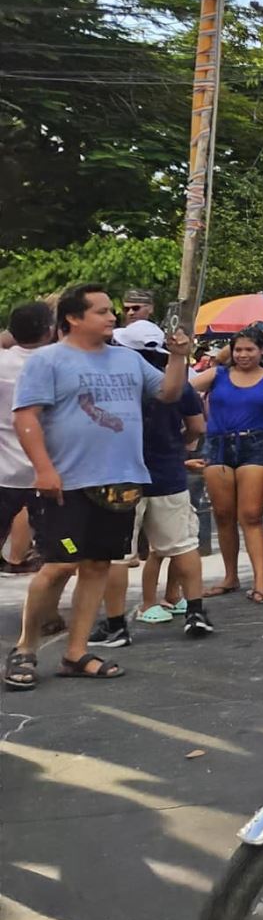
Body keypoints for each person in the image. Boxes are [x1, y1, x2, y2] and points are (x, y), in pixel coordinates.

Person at [4, 284, 193, 690]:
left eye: (112, 311)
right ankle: (25, 648)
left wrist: (179, 356)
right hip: (66, 483)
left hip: (121, 481)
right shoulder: (48, 361)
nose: (114, 317)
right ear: (73, 318)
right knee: (58, 566)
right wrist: (43, 468)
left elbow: (169, 392)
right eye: (103, 311)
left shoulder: (127, 360)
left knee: (97, 566)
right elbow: (26, 416)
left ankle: (76, 652)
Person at [113, 321, 214, 637]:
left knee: (118, 554)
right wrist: (180, 445)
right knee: (183, 545)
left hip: (122, 474)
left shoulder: (119, 382)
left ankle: (116, 623)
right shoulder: (178, 384)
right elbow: (197, 427)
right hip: (168, 472)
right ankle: (195, 610)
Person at [191, 328, 263, 604]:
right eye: (238, 349)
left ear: (262, 351)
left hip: (255, 446)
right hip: (217, 446)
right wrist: (218, 358)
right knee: (222, 515)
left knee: (251, 515)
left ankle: (260, 582)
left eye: (250, 349)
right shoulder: (218, 375)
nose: (243, 354)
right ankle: (230, 576)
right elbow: (184, 388)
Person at [0, 303, 54, 579]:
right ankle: (47, 614)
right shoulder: (56, 363)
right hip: (48, 473)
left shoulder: (2, 362)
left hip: (4, 472)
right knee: (54, 554)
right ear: (48, 331)